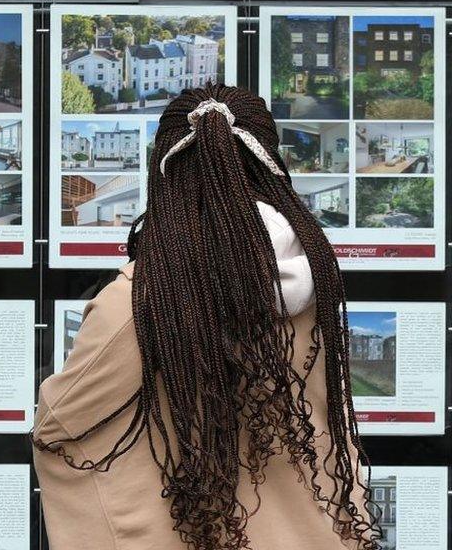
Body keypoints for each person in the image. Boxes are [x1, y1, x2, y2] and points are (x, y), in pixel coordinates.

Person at [32, 85, 382, 550]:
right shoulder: (314, 276)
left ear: (165, 174)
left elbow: (61, 428)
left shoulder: (138, 301)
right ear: (273, 165)